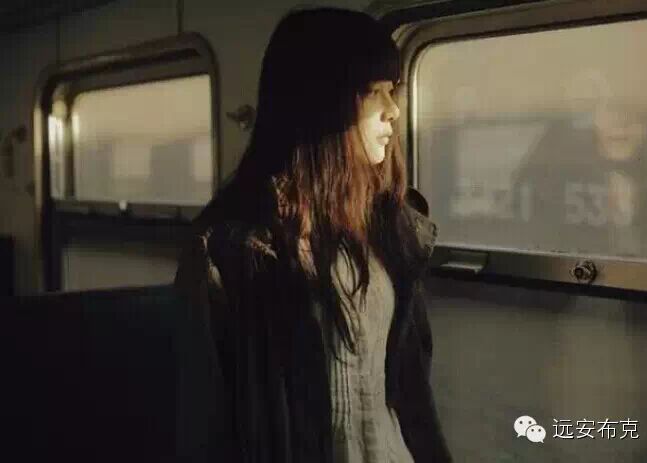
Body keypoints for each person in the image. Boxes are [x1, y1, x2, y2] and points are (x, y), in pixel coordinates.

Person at [174, 7, 452, 463]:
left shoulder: (391, 228)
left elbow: (411, 394)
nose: (393, 110)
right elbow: (206, 423)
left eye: (393, 90)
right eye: (374, 92)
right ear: (323, 103)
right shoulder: (232, 248)